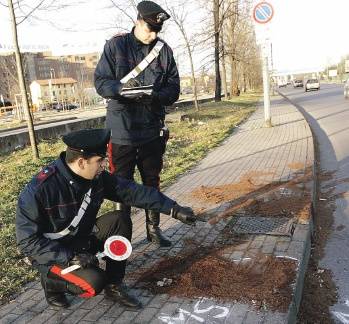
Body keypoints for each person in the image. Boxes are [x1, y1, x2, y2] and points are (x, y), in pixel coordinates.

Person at [16, 128, 197, 309]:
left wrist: (174, 209)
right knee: (94, 282)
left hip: (82, 240)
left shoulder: (96, 177)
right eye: (100, 161)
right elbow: (27, 241)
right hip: (54, 254)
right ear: (81, 162)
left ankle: (114, 286)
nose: (104, 165)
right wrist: (69, 257)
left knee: (120, 219)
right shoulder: (39, 190)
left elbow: (132, 192)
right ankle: (51, 284)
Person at [94, 1, 180, 248]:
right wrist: (120, 89)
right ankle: (123, 238)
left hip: (152, 129)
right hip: (122, 131)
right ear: (137, 21)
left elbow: (174, 89)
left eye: (157, 31)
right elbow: (101, 82)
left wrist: (155, 95)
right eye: (149, 29)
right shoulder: (116, 46)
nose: (152, 35)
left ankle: (154, 230)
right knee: (121, 185)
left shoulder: (164, 51)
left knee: (151, 180)